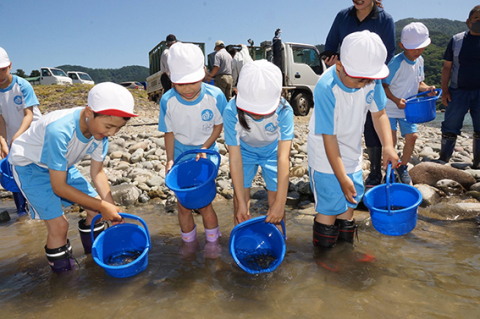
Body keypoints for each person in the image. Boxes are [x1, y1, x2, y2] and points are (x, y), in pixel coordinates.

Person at [8, 82, 138, 273]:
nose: (111, 133)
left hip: (62, 166)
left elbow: (98, 172)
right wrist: (102, 205)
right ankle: (64, 279)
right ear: (88, 112)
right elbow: (58, 187)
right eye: (109, 126)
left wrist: (110, 208)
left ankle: (94, 260)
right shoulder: (59, 130)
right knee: (59, 226)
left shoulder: (100, 133)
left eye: (117, 129)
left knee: (96, 212)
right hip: (30, 166)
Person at [307, 31, 398, 248]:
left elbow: (379, 114)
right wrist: (341, 177)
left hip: (352, 152)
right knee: (329, 208)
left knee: (349, 204)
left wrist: (388, 146)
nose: (364, 83)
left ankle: (345, 255)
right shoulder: (326, 87)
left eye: (369, 79)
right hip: (325, 155)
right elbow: (329, 138)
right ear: (339, 66)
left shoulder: (371, 81)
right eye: (360, 78)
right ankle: (324, 257)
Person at [158, 43, 226, 250]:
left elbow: (218, 125)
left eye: (193, 83)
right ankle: (189, 246)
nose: (187, 89)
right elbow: (168, 132)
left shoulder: (215, 96)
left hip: (206, 155)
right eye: (180, 84)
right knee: (183, 206)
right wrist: (170, 159)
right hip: (181, 154)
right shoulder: (168, 100)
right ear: (171, 79)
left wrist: (205, 148)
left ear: (204, 73)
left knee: (205, 204)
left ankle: (213, 246)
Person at [323, 0, 395, 187]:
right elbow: (330, 46)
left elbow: (388, 52)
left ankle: (374, 171)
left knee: (373, 122)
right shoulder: (342, 16)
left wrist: (370, 74)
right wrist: (330, 59)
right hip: (344, 76)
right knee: (341, 122)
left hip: (371, 78)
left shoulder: (385, 19)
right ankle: (337, 168)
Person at [223, 60, 293, 227]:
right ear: (237, 92)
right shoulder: (231, 111)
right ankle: (241, 239)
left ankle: (278, 243)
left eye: (263, 111)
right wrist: (241, 203)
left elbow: (283, 158)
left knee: (276, 201)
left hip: (273, 151)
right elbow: (235, 159)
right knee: (240, 202)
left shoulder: (284, 110)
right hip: (244, 152)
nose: (257, 116)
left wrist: (280, 203)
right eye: (252, 111)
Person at [382, 22, 436, 184]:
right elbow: (383, 86)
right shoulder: (396, 63)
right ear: (402, 45)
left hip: (409, 110)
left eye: (421, 48)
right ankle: (389, 170)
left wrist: (429, 89)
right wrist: (396, 100)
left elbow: (419, 83)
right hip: (390, 109)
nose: (418, 52)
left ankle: (403, 166)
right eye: (414, 48)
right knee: (391, 141)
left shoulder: (420, 60)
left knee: (412, 137)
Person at [0, 47, 42, 215]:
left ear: (10, 66)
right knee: (14, 172)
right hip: (11, 137)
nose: (0, 74)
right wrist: (3, 141)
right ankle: (21, 213)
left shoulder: (22, 85)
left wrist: (17, 137)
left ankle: (38, 207)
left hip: (33, 134)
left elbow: (29, 114)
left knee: (33, 171)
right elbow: (1, 119)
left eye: (3, 69)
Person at [440, 5, 480, 168]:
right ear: (468, 22)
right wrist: (445, 90)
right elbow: (447, 67)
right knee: (451, 124)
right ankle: (444, 159)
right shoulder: (457, 40)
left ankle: (478, 162)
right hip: (458, 91)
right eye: (477, 19)